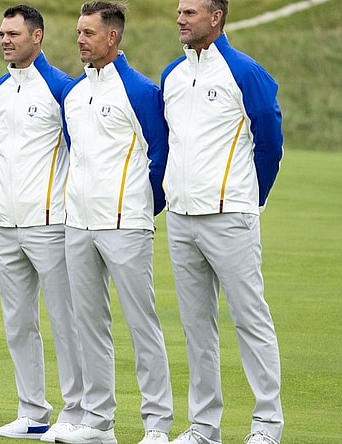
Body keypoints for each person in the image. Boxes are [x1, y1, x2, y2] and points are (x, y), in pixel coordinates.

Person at [161, 1, 284, 443]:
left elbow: (270, 143)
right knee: (197, 328)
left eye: (190, 12)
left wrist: (248, 199)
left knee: (251, 320)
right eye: (180, 11)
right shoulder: (172, 75)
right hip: (181, 218)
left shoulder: (245, 72)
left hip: (230, 216)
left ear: (215, 17)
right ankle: (203, 427)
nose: (180, 19)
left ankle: (267, 426)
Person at [55, 2, 174, 444]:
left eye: (89, 33)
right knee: (89, 325)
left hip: (126, 225)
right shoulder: (73, 94)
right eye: (79, 32)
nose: (80, 39)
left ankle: (157, 425)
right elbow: (76, 155)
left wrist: (143, 207)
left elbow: (161, 154)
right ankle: (97, 421)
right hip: (78, 224)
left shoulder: (141, 91)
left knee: (142, 324)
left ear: (112, 37)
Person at [0, 5, 83, 442]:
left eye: (14, 34)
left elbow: (82, 154)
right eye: (2, 34)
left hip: (51, 224)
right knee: (18, 322)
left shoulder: (63, 88)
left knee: (66, 321)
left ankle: (77, 411)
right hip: (7, 223)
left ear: (37, 36)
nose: (5, 41)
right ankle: (32, 412)